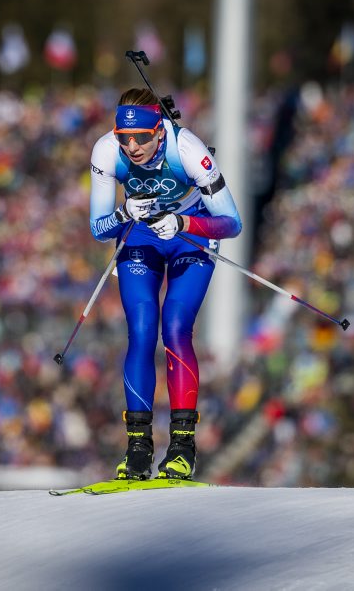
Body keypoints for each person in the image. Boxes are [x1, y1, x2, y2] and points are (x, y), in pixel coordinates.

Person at [89, 88, 242, 481]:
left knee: (175, 327)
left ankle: (182, 448)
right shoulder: (106, 151)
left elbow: (232, 223)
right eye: (124, 138)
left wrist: (183, 222)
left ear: (160, 131)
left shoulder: (187, 148)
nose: (132, 147)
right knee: (141, 331)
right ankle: (138, 448)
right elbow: (99, 229)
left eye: (142, 137)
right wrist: (124, 212)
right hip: (141, 234)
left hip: (190, 232)